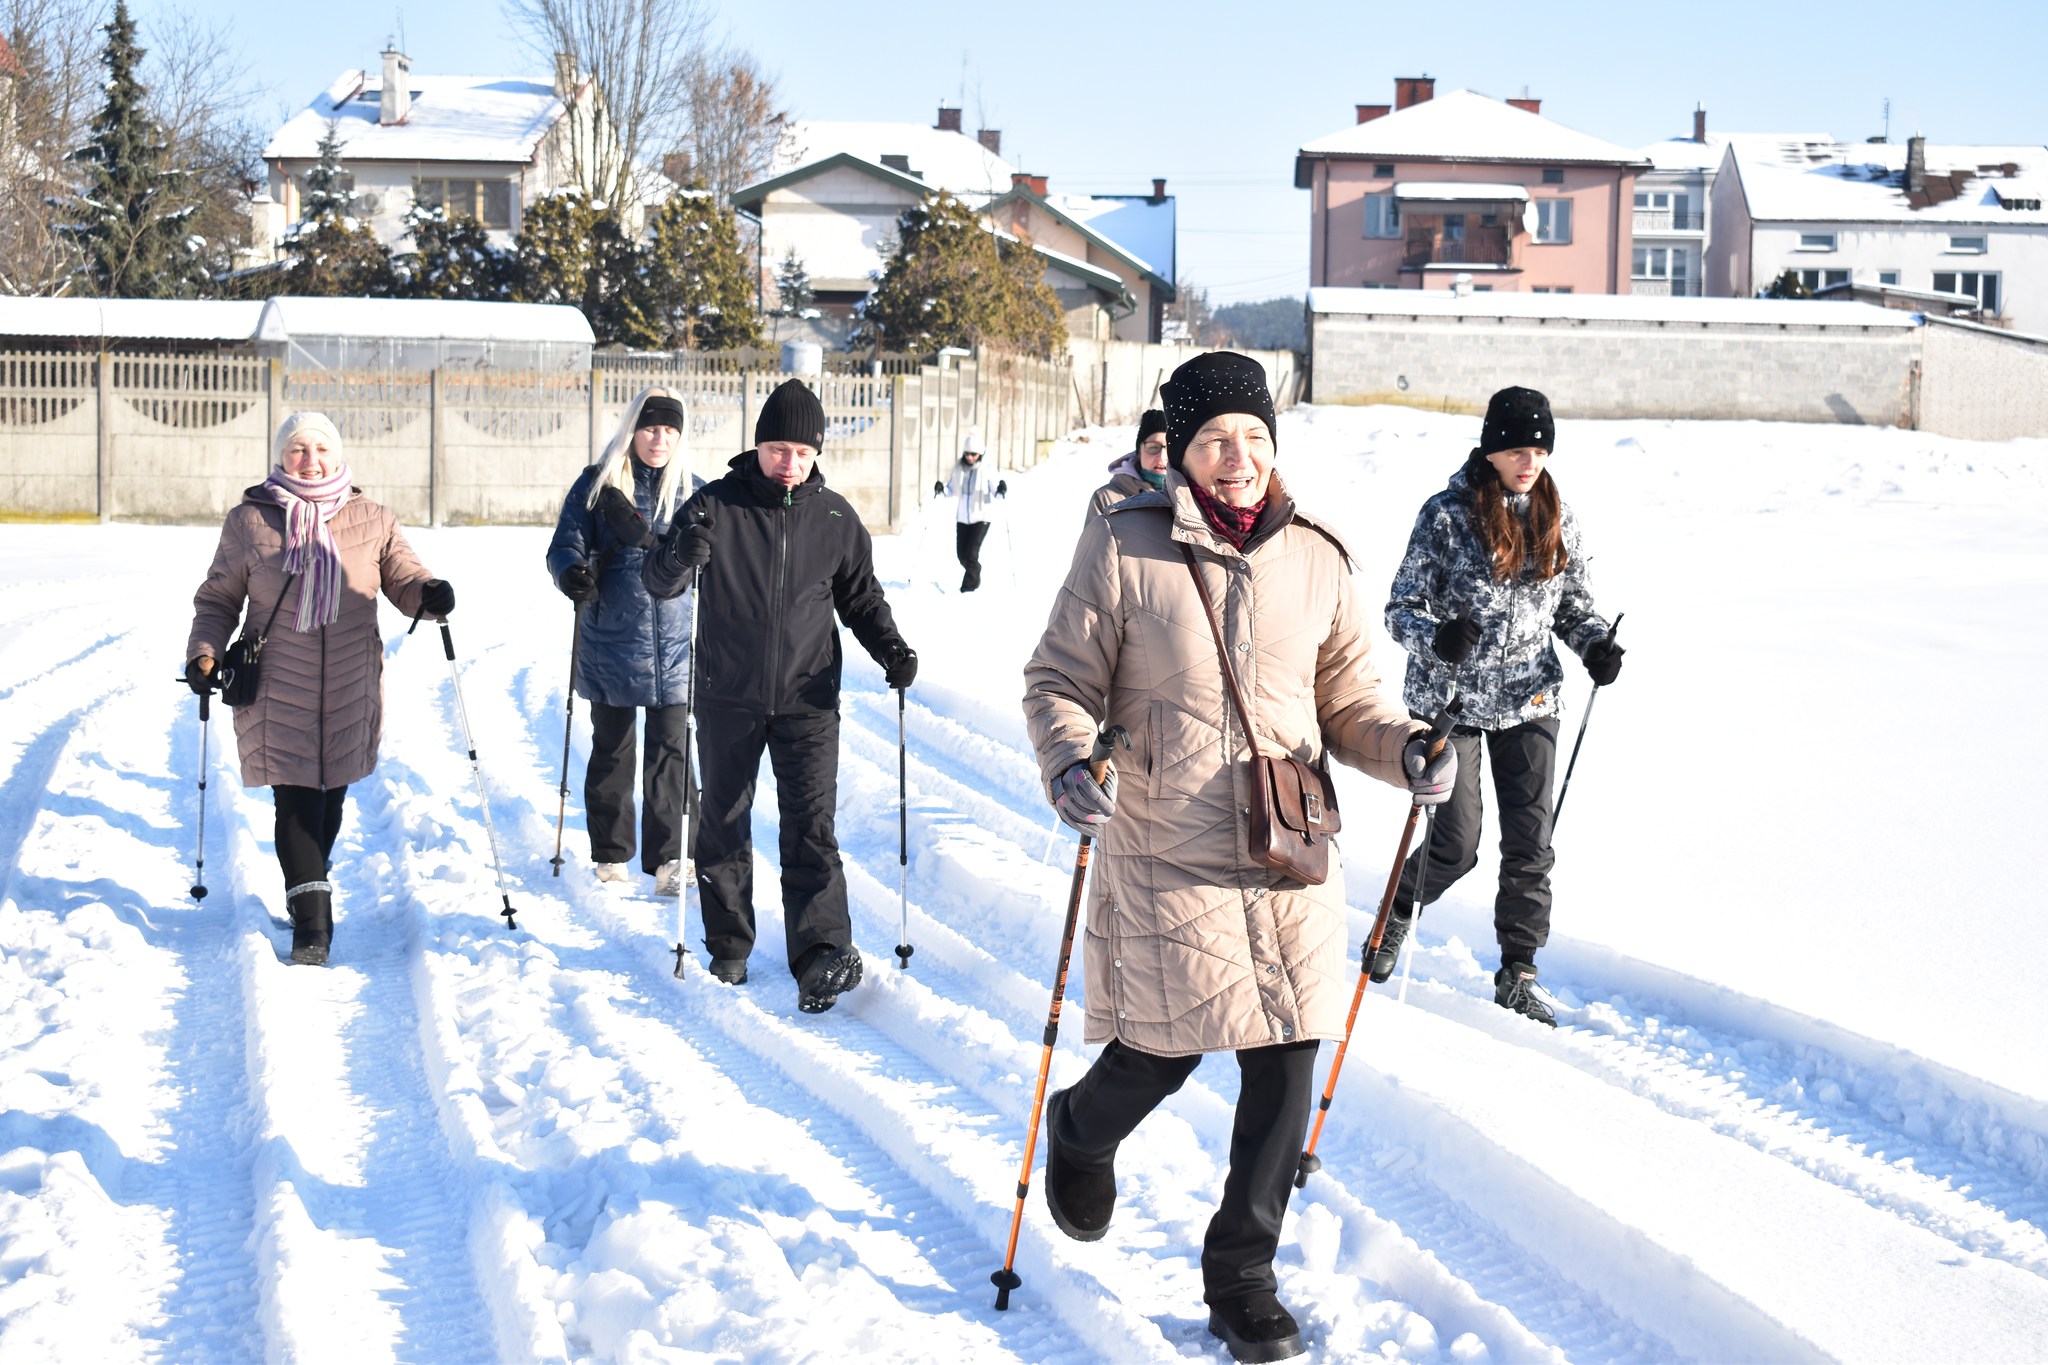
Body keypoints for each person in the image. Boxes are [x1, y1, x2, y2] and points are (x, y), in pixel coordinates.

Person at [1021, 352, 1455, 1364]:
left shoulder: (1316, 555)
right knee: (1163, 1048)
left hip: (1287, 846)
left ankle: (1242, 1278)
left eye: (1254, 436)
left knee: (1289, 1051)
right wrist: (1070, 759)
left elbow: (1349, 700)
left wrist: (1406, 748)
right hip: (1167, 844)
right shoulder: (1124, 544)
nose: (1238, 456)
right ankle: (1081, 1129)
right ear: (1180, 450)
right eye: (1216, 438)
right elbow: (1058, 680)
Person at [644, 379, 917, 1013]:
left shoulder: (836, 518)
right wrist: (680, 554)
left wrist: (892, 648)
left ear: (816, 452)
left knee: (811, 827)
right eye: (776, 449)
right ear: (758, 447)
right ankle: (728, 945)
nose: (788, 463)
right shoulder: (715, 506)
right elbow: (657, 581)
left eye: (800, 451)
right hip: (727, 696)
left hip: (809, 699)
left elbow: (861, 599)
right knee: (724, 821)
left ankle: (820, 953)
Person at [1378, 385, 1622, 1027]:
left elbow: (1574, 608)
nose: (1529, 462)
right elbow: (1399, 609)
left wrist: (1596, 646)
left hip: (1530, 699)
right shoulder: (1446, 515)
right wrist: (1438, 637)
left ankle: (1519, 972)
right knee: (1456, 845)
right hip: (1453, 702)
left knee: (1530, 846)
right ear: (1490, 450)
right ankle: (1396, 913)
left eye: (1539, 450)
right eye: (1517, 450)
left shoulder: (1557, 515)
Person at [185, 412, 451, 966]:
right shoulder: (250, 520)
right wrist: (204, 653)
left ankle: (306, 884)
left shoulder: (372, 518)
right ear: (281, 456)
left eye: (321, 448)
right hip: (277, 683)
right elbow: (218, 599)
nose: (310, 460)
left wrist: (430, 593)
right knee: (297, 799)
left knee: (330, 801)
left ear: (338, 454)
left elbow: (404, 577)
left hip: (351, 683)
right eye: (298, 449)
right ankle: (313, 925)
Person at [545, 387, 702, 896]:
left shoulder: (694, 493)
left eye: (670, 430)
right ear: (633, 429)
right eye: (651, 428)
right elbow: (565, 544)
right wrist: (570, 572)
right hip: (611, 638)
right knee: (613, 751)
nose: (660, 439)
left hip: (675, 645)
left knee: (673, 755)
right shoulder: (597, 485)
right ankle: (611, 853)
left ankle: (672, 857)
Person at [932, 427, 1006, 591]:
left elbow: (996, 493)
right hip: (963, 518)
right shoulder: (959, 468)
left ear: (980, 453)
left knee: (971, 554)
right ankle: (975, 573)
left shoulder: (987, 469)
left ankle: (968, 588)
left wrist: (1001, 488)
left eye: (974, 454)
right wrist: (941, 488)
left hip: (981, 517)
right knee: (961, 555)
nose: (970, 457)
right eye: (967, 454)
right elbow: (951, 490)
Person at [1087, 407, 1169, 515]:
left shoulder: (1186, 497)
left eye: (1170, 448)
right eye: (1153, 447)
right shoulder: (1106, 498)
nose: (1162, 456)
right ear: (1139, 452)